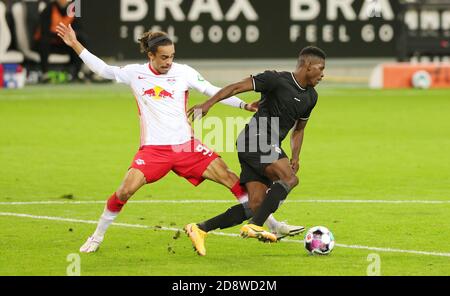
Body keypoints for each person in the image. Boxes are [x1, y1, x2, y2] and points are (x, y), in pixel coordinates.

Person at [55, 23, 304, 254]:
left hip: (188, 148)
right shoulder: (135, 73)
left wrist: (242, 105)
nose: (169, 61)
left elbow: (209, 89)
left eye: (172, 56)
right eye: (164, 57)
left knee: (231, 179)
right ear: (151, 55)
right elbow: (104, 70)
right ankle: (97, 236)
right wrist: (76, 44)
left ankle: (269, 224)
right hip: (154, 150)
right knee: (124, 191)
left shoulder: (183, 72)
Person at [185, 46, 325, 255]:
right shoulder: (275, 79)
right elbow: (235, 87)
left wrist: (296, 156)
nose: (323, 74)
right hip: (256, 138)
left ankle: (200, 228)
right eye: (320, 68)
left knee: (256, 204)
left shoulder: (311, 97)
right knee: (289, 179)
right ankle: (256, 225)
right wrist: (208, 104)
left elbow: (299, 130)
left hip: (260, 146)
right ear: (307, 66)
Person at [34, 0, 84, 82]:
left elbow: (79, 29)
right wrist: (61, 35)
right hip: (51, 42)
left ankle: (77, 73)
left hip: (65, 43)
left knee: (82, 39)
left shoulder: (76, 8)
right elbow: (44, 31)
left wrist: (70, 37)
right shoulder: (49, 8)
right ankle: (45, 74)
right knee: (44, 42)